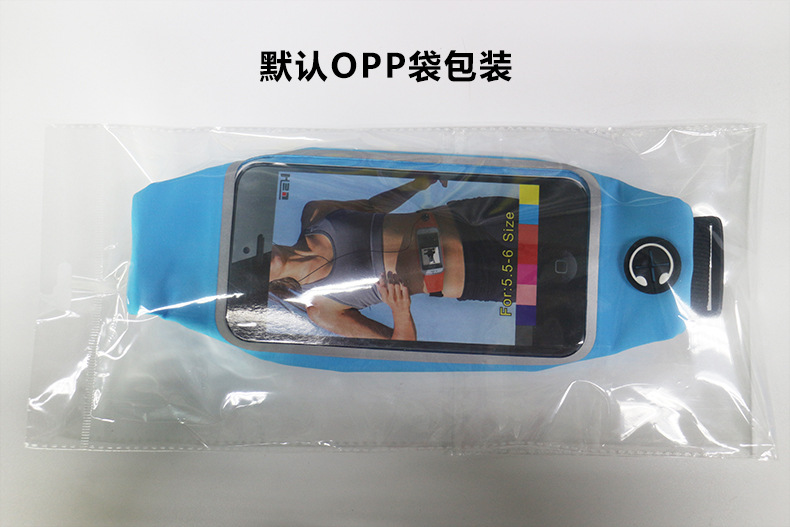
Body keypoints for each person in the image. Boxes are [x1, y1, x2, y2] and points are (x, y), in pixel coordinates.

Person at [261, 176, 517, 341]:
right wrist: (400, 310)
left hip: (472, 217)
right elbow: (402, 346)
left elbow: (373, 207)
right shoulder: (320, 309)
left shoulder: (316, 213)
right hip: (482, 274)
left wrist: (420, 182)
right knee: (543, 289)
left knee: (542, 213)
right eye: (254, 270)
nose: (259, 261)